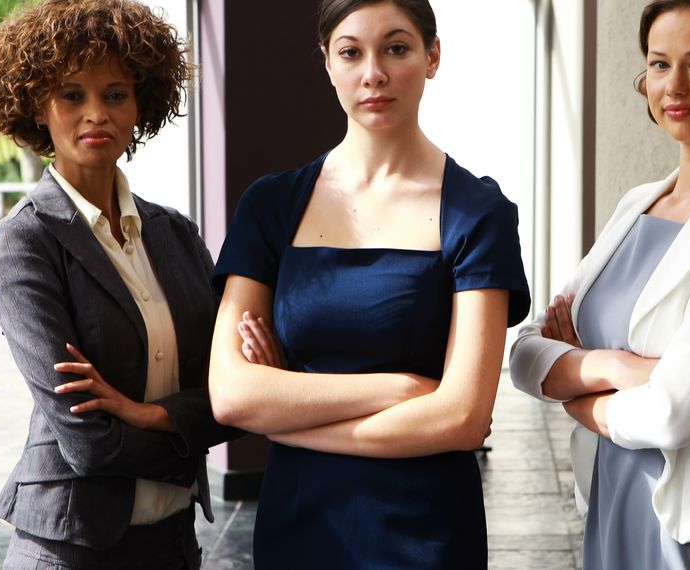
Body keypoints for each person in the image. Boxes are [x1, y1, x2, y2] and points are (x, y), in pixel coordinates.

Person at [206, 0, 530, 566]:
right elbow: (233, 395)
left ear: (433, 56)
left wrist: (288, 418)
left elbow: (462, 417)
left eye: (396, 48)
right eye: (351, 52)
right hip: (298, 525)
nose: (373, 72)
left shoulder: (478, 212)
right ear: (327, 63)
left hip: (424, 533)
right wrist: (398, 389)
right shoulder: (271, 205)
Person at [509, 0, 690, 568]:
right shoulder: (636, 205)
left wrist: (571, 381)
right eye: (660, 64)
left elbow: (672, 413)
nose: (675, 86)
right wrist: (619, 369)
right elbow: (523, 353)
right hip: (610, 510)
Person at [0, 1, 244, 567]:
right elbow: (87, 444)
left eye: (115, 94)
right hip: (72, 549)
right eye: (72, 95)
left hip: (174, 543)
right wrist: (188, 432)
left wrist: (148, 414)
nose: (96, 113)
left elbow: (236, 393)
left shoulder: (175, 233)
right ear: (38, 107)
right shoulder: (24, 243)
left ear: (140, 104)